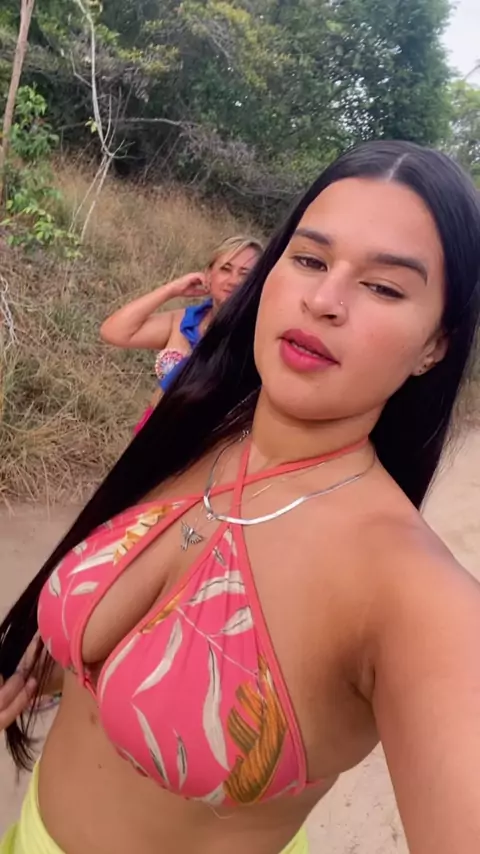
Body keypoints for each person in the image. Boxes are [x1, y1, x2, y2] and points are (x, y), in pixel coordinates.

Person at [1, 139, 480, 854]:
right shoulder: (197, 432)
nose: (323, 300)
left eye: (383, 287)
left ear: (435, 345)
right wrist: (47, 666)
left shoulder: (417, 599)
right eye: (309, 260)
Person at [100, 236, 263, 433]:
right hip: (150, 434)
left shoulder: (255, 340)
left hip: (199, 446)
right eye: (225, 269)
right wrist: (171, 289)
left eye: (246, 275)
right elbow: (114, 332)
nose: (234, 280)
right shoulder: (184, 322)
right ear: (208, 275)